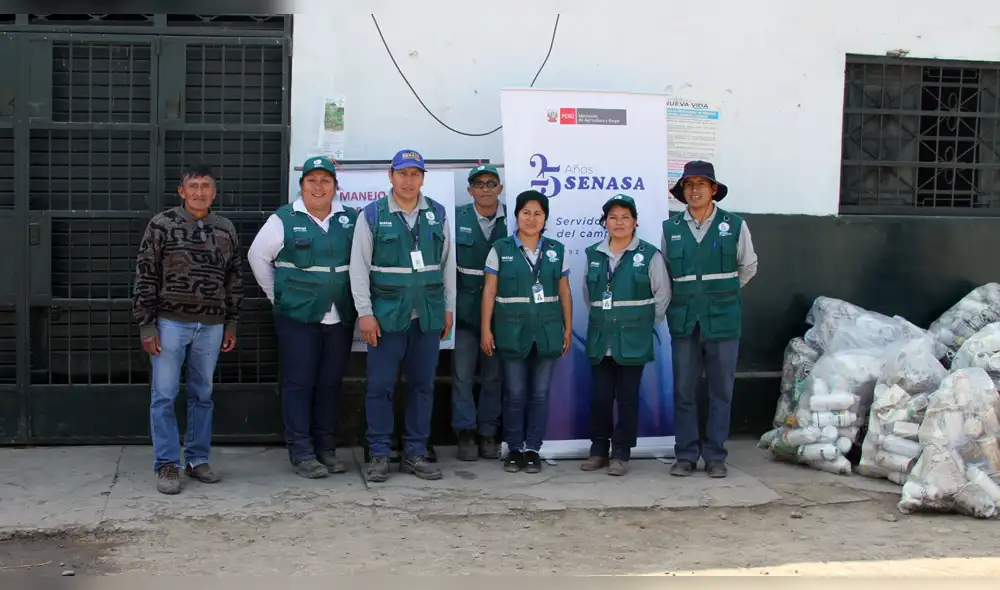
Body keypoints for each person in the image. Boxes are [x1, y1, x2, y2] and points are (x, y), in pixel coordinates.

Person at [132, 164, 243, 495]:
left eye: (205, 186)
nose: (199, 192)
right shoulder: (162, 224)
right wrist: (147, 325)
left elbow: (234, 278)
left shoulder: (225, 228)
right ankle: (167, 464)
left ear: (214, 192)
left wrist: (231, 322)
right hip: (169, 323)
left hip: (212, 326)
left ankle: (197, 459)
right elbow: (146, 274)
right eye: (192, 186)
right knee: (164, 394)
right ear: (182, 192)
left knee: (202, 394)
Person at [248, 156, 357, 479]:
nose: (319, 187)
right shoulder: (283, 219)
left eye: (326, 181)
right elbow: (257, 256)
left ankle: (326, 448)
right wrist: (278, 296)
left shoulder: (349, 219)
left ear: (336, 187)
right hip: (298, 318)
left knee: (330, 384)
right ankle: (302, 451)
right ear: (302, 185)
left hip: (339, 316)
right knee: (299, 384)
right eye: (312, 180)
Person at [350, 149, 455, 482]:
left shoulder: (437, 214)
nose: (409, 180)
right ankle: (379, 454)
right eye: (403, 173)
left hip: (426, 315)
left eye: (415, 174)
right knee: (380, 387)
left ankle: (415, 453)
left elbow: (447, 265)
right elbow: (358, 267)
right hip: (386, 316)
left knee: (423, 387)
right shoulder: (371, 214)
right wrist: (365, 313)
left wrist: (449, 308)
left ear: (423, 178)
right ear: (390, 176)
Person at [662, 160, 758, 478]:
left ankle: (716, 455)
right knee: (683, 391)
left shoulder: (735, 225)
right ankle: (686, 454)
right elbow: (665, 275)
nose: (694, 190)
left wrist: (723, 293)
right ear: (682, 192)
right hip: (684, 320)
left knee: (721, 391)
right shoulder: (671, 229)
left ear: (713, 190)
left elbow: (748, 267)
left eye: (701, 184)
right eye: (689, 185)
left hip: (723, 320)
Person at [480, 190, 572, 474]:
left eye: (538, 213)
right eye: (526, 213)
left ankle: (533, 449)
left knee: (540, 393)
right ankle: (514, 448)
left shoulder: (557, 249)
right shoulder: (501, 248)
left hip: (547, 331)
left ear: (545, 219)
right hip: (511, 331)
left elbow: (564, 292)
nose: (531, 219)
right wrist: (486, 328)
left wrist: (568, 328)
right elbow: (490, 291)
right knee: (516, 393)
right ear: (517, 215)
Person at [580, 194, 670, 476]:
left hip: (633, 340)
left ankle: (621, 454)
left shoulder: (650, 255)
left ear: (635, 222)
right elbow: (588, 296)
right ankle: (598, 450)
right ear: (604, 222)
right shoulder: (593, 254)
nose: (619, 223)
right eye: (613, 217)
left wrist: (642, 325)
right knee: (600, 398)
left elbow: (663, 295)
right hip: (601, 339)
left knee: (628, 398)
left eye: (625, 217)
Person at [452, 164, 507, 461]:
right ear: (469, 189)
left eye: (491, 183)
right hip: (463, 311)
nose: (485, 189)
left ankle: (488, 431)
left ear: (499, 188)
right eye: (479, 184)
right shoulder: (455, 215)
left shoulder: (513, 220)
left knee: (494, 376)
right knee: (461, 375)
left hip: (500, 313)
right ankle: (465, 432)